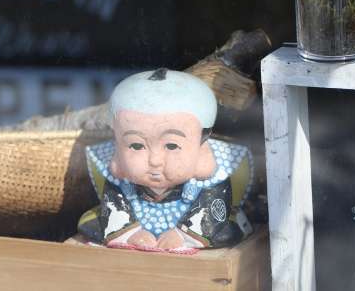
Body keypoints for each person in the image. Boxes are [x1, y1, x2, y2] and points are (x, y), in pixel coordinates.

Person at [78, 68, 254, 250]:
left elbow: (212, 213)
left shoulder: (211, 182)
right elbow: (113, 208)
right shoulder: (120, 182)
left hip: (190, 228)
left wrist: (182, 235)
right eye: (136, 145)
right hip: (135, 226)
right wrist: (131, 233)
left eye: (171, 146)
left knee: (228, 229)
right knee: (89, 222)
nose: (155, 161)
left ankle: (188, 238)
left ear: (202, 144)